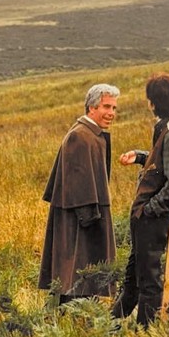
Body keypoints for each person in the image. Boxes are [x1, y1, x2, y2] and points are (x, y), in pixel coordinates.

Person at [112, 73, 169, 328]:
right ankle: (111, 325)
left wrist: (150, 209)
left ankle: (144, 332)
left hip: (154, 216)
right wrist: (140, 156)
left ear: (154, 103)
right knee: (135, 274)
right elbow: (167, 161)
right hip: (151, 214)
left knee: (147, 279)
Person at [38, 84, 120, 305]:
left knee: (80, 275)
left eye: (114, 108)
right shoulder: (80, 136)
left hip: (87, 218)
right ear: (92, 107)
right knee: (75, 273)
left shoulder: (90, 135)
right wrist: (91, 224)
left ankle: (76, 315)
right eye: (106, 107)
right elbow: (76, 186)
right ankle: (68, 316)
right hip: (79, 222)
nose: (111, 113)